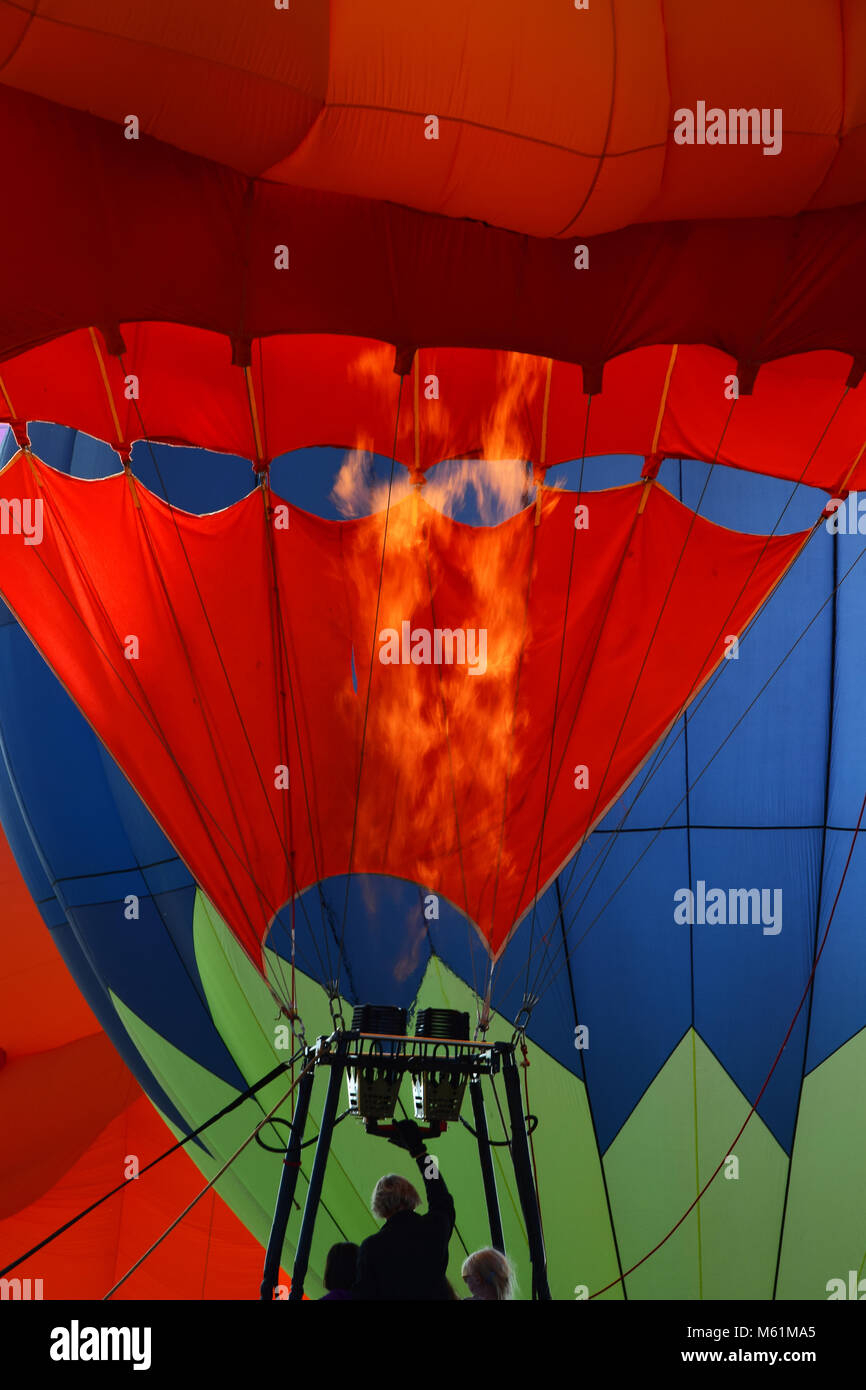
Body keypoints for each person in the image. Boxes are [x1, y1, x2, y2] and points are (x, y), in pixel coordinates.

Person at [352, 1119, 455, 1300]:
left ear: (379, 1207)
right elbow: (440, 1196)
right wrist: (421, 1153)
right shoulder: (434, 1228)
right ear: (412, 1197)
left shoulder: (371, 1248)